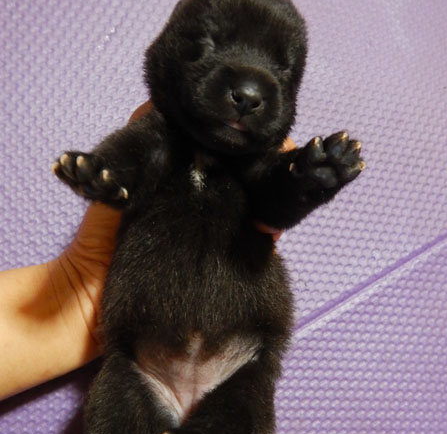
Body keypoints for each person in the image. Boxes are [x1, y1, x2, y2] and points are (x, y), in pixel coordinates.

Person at [0, 102, 293, 401]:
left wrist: (295, 181)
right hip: (142, 353)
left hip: (240, 354)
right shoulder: (159, 132)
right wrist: (114, 171)